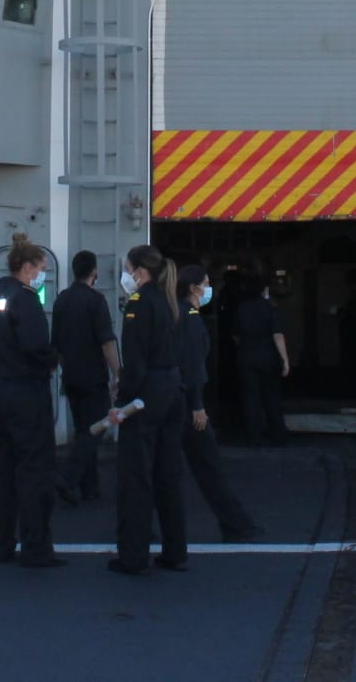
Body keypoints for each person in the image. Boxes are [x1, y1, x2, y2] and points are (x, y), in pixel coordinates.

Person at [109, 242, 188, 575]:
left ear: (139, 271)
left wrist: (120, 401)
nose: (126, 276)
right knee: (169, 474)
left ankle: (133, 555)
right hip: (172, 388)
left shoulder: (139, 303)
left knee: (136, 476)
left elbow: (136, 362)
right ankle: (175, 551)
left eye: (128, 270)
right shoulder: (171, 303)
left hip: (146, 394)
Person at [0, 233, 64, 567]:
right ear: (28, 267)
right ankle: (36, 547)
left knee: (3, 471)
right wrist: (53, 358)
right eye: (41, 267)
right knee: (34, 471)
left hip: (2, 387)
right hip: (27, 391)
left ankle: (2, 543)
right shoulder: (27, 299)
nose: (42, 273)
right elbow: (34, 343)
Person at [177, 264, 260, 542]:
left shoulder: (180, 315)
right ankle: (236, 524)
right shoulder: (190, 318)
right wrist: (198, 405)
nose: (209, 287)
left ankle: (236, 523)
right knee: (209, 466)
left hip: (176, 401)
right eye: (206, 282)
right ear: (194, 288)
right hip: (188, 404)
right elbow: (192, 366)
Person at [54, 250, 118, 504]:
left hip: (71, 375)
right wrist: (118, 373)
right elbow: (106, 342)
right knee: (97, 428)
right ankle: (69, 476)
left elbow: (56, 344)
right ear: (94, 271)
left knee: (84, 429)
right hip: (93, 376)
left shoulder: (62, 300)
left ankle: (89, 488)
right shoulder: (96, 301)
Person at [232, 273, 291, 447]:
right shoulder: (270, 307)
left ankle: (254, 437)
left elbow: (235, 335)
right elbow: (277, 335)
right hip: (268, 357)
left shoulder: (241, 308)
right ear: (263, 290)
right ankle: (278, 435)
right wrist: (285, 359)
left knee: (251, 398)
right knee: (272, 397)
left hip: (246, 356)